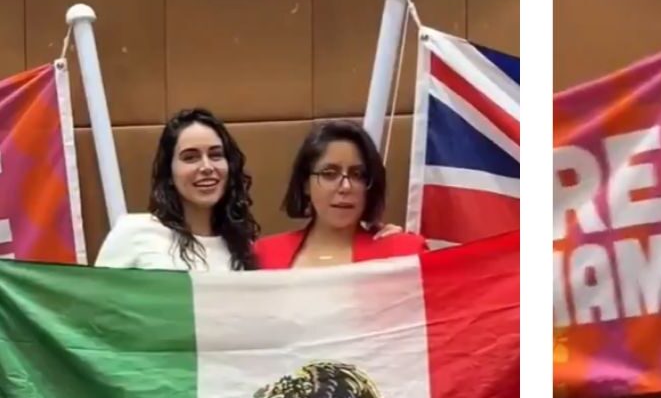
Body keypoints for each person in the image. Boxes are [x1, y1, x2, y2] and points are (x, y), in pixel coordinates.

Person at [95, 108, 260, 271]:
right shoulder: (133, 232)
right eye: (190, 157)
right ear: (169, 173)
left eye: (215, 155)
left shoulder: (242, 247)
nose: (207, 167)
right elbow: (99, 296)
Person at [255, 120, 426, 269]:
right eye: (329, 174)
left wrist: (395, 247)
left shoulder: (404, 254)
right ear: (306, 184)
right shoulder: (263, 255)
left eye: (357, 174)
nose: (345, 186)